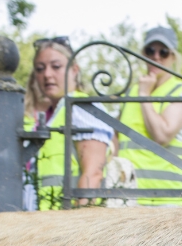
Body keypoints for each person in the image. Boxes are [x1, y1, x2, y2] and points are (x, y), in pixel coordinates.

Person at [24, 37, 115, 210]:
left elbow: (92, 175)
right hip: (45, 221)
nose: (47, 75)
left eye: (56, 66)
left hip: (66, 226)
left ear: (74, 70)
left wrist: (78, 232)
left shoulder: (81, 108)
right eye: (40, 69)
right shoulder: (53, 112)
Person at [119, 26, 182, 207]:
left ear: (173, 57)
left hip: (166, 199)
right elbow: (117, 139)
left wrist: (144, 95)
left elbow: (162, 135)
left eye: (163, 52)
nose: (156, 57)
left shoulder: (181, 92)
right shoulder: (132, 92)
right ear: (143, 54)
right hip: (128, 196)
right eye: (150, 51)